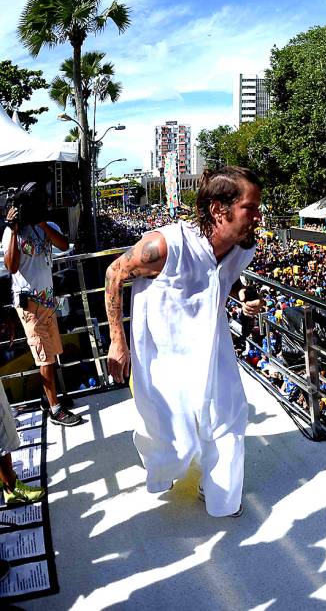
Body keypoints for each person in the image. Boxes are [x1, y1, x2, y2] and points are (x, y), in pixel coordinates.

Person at [103, 166, 263, 518]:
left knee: (229, 421)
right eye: (250, 208)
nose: (258, 215)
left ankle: (218, 493)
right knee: (176, 441)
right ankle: (163, 471)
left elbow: (219, 278)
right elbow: (114, 274)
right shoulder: (163, 245)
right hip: (164, 356)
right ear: (220, 210)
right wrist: (117, 342)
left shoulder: (243, 246)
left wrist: (241, 294)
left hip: (213, 348)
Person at [2, 197, 83, 426]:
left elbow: (63, 246)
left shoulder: (46, 226)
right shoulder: (12, 233)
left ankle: (48, 401)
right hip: (29, 305)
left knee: (52, 353)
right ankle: (56, 410)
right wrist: (14, 230)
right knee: (44, 357)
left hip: (47, 302)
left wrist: (43, 224)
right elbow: (11, 266)